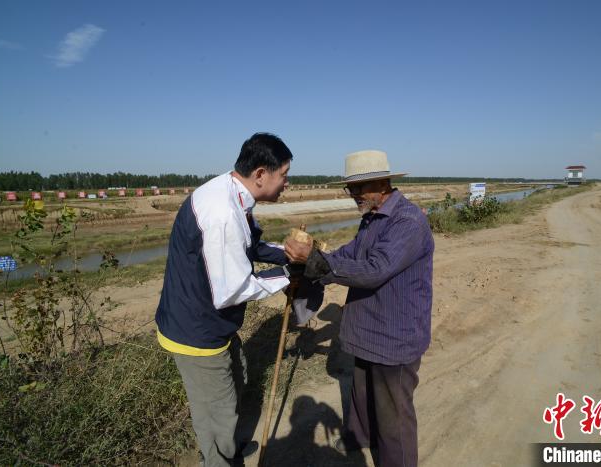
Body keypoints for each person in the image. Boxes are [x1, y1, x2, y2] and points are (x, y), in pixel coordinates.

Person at [155, 133, 299, 467]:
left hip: (207, 322)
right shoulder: (223, 212)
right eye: (285, 175)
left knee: (235, 382)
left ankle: (227, 447)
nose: (287, 183)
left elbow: (253, 247)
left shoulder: (234, 195)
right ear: (261, 174)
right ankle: (219, 458)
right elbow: (232, 290)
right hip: (196, 332)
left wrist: (290, 256)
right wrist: (290, 277)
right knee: (216, 410)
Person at [285, 150, 434, 467]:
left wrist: (317, 264)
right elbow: (347, 256)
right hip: (368, 329)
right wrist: (315, 264)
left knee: (393, 416)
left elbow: (375, 269)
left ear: (382, 184)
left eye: (358, 188)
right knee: (362, 392)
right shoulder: (372, 218)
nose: (352, 195)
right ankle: (358, 437)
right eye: (349, 188)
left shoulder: (407, 222)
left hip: (395, 336)